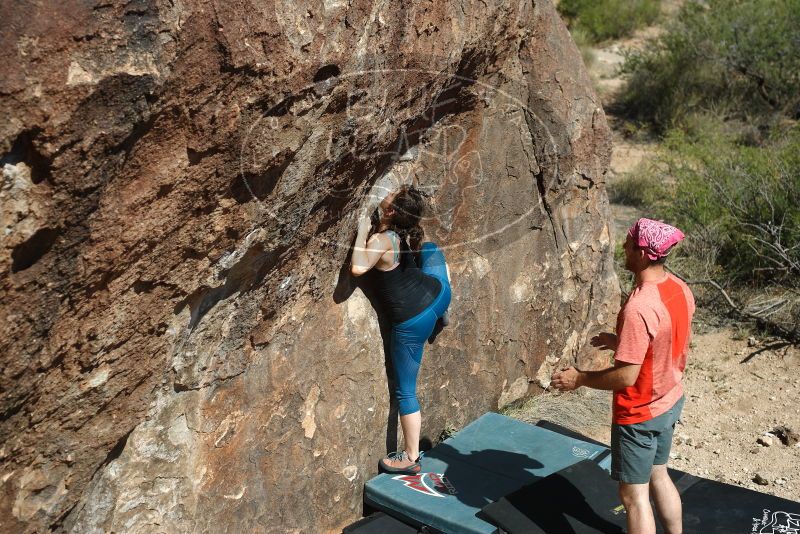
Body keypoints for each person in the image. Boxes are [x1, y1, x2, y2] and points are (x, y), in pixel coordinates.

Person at [552, 218, 695, 534]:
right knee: (659, 473)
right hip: (670, 400)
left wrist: (580, 378)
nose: (623, 247)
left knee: (634, 497)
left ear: (643, 253)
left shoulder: (638, 307)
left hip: (640, 413)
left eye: (629, 243)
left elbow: (627, 377)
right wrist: (620, 343)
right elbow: (664, 341)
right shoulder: (679, 288)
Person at [350, 185, 452, 475]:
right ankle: (442, 315)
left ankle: (410, 457)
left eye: (393, 193)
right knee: (432, 250)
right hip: (438, 294)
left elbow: (358, 268)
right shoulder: (404, 229)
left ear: (392, 210)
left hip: (412, 322)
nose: (390, 190)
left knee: (405, 391)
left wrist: (360, 230)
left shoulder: (383, 239)